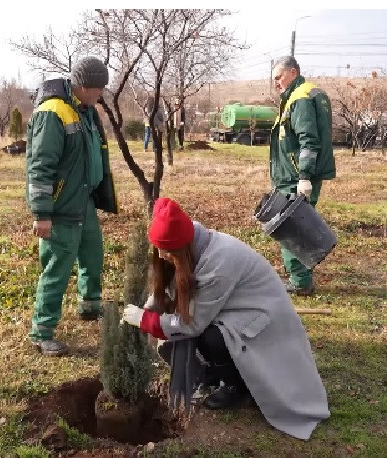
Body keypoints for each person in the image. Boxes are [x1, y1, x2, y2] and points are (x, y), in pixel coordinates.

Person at [122, 197, 330, 440]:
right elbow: (167, 288)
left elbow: (192, 324)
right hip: (232, 307)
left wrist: (147, 321)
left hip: (262, 317)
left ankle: (236, 386)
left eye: (166, 251)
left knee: (212, 337)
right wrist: (145, 310)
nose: (161, 254)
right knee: (204, 333)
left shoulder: (218, 263)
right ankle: (218, 372)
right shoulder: (189, 241)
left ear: (180, 248)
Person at [26, 56, 118, 356]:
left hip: (84, 202)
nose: (101, 94)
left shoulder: (84, 110)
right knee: (57, 268)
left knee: (93, 256)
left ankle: (90, 306)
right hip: (61, 207)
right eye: (99, 89)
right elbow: (40, 166)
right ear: (84, 86)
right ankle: (42, 332)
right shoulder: (53, 113)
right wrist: (42, 213)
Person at [269, 56, 336, 296]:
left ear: (293, 72)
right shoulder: (300, 95)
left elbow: (309, 140)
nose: (276, 82)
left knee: (291, 227)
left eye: (279, 77)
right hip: (294, 175)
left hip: (296, 176)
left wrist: (304, 176)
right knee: (294, 225)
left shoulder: (300, 98)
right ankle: (301, 277)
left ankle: (300, 282)